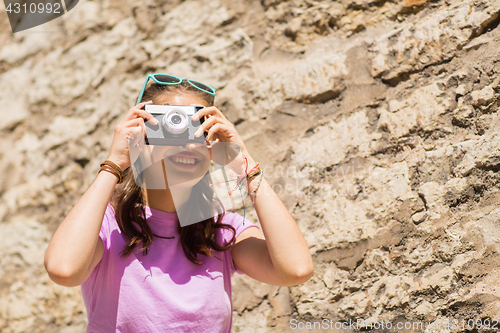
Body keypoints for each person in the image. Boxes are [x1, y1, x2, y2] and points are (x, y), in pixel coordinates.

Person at [44, 74, 314, 332]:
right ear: (141, 136)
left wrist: (246, 165)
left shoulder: (222, 231)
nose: (186, 144)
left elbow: (296, 270)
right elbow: (63, 270)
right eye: (171, 127)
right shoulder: (108, 226)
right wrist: (114, 163)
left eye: (198, 130)